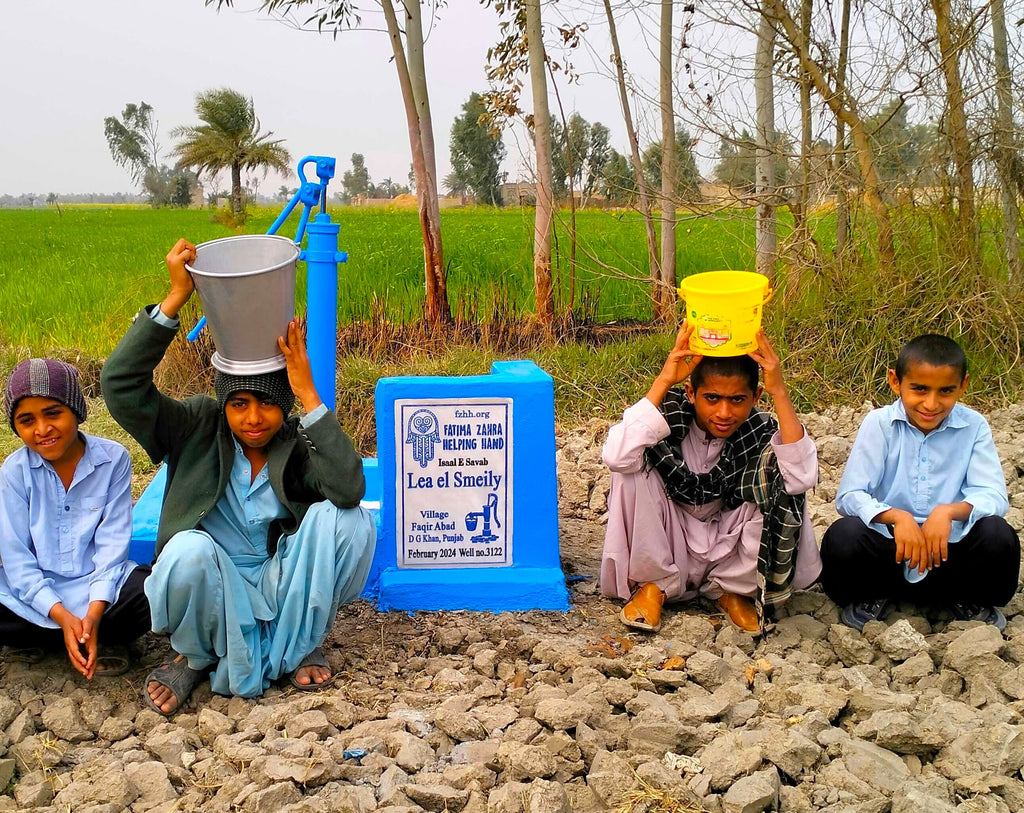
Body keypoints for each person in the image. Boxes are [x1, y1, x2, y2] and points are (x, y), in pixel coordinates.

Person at [101, 238, 376, 715]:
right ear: (223, 403)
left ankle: (300, 641)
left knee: (351, 523)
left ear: (284, 406)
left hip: (277, 579)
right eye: (239, 404)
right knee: (187, 551)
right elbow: (121, 387)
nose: (253, 418)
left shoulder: (296, 440)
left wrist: (309, 396)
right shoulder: (194, 426)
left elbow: (350, 490)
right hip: (212, 577)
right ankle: (195, 655)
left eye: (268, 403)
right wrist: (175, 298)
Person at [600, 322, 821, 634]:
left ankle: (732, 588)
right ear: (691, 393)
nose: (724, 412)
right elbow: (616, 455)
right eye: (713, 398)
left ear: (755, 396)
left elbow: (802, 477)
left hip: (726, 539)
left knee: (784, 479)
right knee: (629, 468)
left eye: (737, 400)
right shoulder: (669, 413)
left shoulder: (759, 430)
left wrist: (779, 391)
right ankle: (654, 584)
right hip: (669, 533)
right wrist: (665, 378)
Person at [821, 334, 1020, 631]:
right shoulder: (879, 423)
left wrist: (947, 513)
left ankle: (964, 598)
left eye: (946, 391)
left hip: (949, 555)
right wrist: (897, 518)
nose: (931, 403)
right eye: (919, 389)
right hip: (889, 554)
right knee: (844, 536)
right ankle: (874, 595)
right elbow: (850, 496)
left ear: (963, 386)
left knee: (997, 535)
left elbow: (993, 495)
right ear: (895, 381)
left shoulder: (974, 426)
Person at [1, 358, 150, 678]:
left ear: (76, 412)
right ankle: (65, 636)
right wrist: (60, 614)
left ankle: (83, 635)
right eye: (27, 420)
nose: (42, 429)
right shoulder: (14, 472)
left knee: (152, 591)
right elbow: (16, 560)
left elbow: (113, 546)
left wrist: (93, 613)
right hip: (34, 598)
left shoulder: (113, 460)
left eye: (53, 413)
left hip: (98, 594)